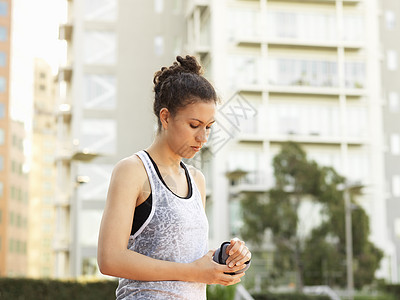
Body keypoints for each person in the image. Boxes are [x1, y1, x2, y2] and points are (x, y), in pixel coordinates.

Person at [97, 55, 252, 300]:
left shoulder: (197, 180)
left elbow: (188, 260)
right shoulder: (132, 171)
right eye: (194, 125)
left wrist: (227, 257)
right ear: (166, 117)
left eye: (209, 126)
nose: (203, 137)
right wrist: (193, 272)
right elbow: (110, 258)